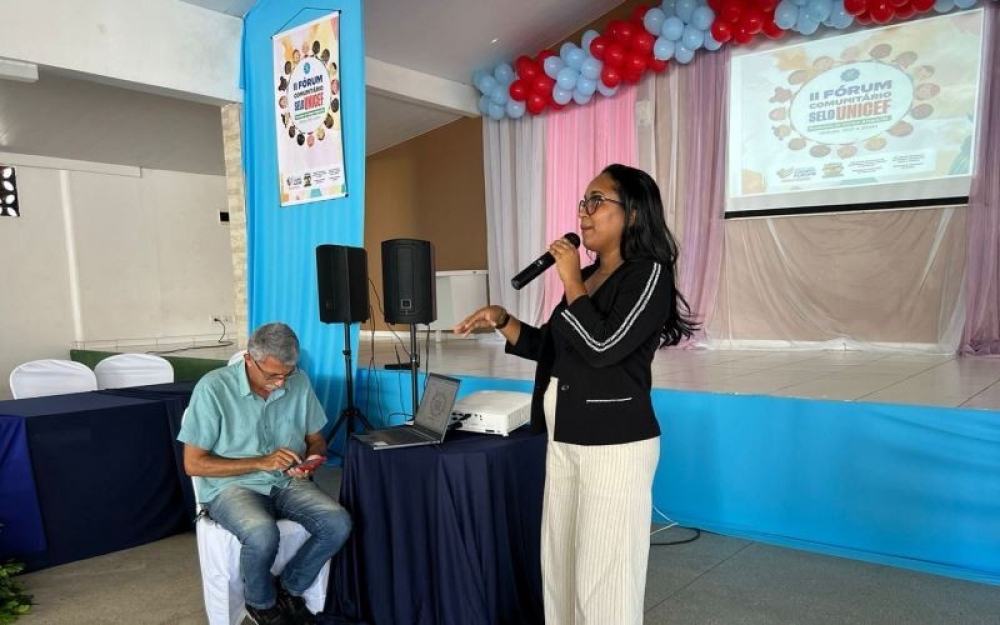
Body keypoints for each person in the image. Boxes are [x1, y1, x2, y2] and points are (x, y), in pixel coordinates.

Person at [455, 164, 696, 624]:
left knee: (604, 575)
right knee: (561, 566)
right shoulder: (586, 277)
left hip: (615, 446)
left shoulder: (647, 275)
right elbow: (553, 347)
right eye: (583, 202)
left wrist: (570, 282)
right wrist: (504, 319)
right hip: (564, 439)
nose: (583, 213)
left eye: (596, 201)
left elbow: (604, 347)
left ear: (634, 214)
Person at [178, 322, 352, 625]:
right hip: (230, 487)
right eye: (272, 375)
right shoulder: (214, 388)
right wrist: (260, 462)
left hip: (286, 481)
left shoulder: (299, 381)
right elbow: (194, 464)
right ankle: (261, 603)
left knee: (338, 523)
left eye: (287, 374)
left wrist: (312, 457)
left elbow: (316, 439)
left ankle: (288, 589)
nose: (282, 383)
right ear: (248, 359)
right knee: (262, 533)